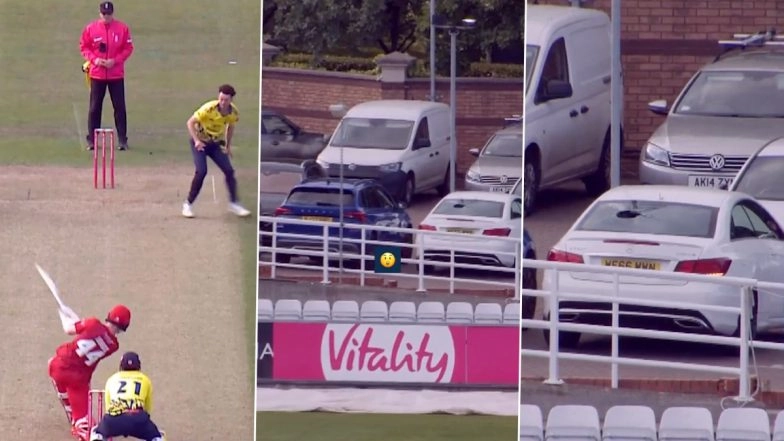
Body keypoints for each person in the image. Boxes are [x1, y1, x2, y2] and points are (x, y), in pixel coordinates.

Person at [49, 304, 132, 441]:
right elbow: (94, 337)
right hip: (79, 379)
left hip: (59, 367)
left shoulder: (92, 323)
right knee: (86, 425)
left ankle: (69, 409)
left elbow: (69, 329)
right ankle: (79, 423)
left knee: (52, 364)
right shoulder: (113, 346)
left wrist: (63, 314)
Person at [182, 83, 252, 218]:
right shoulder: (208, 109)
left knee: (229, 171)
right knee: (201, 171)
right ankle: (188, 204)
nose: (222, 102)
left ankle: (234, 204)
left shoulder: (233, 112)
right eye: (221, 99)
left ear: (231, 100)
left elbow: (230, 127)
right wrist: (197, 141)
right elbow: (190, 122)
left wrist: (228, 146)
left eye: (226, 100)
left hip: (214, 144)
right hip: (200, 143)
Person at [80, 1, 134, 151]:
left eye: (108, 14)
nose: (106, 17)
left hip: (116, 75)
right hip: (97, 75)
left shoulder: (122, 28)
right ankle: (91, 140)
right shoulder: (91, 29)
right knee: (94, 107)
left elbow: (128, 48)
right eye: (104, 14)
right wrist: (95, 60)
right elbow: (84, 47)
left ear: (112, 14)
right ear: (100, 14)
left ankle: (122, 140)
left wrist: (115, 61)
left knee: (119, 107)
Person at [89, 352, 165, 441]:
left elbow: (108, 406)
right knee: (157, 437)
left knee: (97, 434)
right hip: (138, 418)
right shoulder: (145, 379)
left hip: (114, 419)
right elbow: (147, 407)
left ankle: (99, 437)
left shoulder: (112, 379)